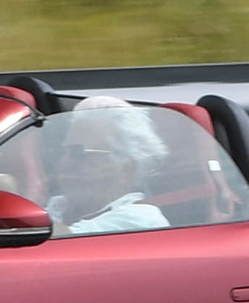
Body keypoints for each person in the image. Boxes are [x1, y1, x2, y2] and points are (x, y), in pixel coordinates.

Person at [45, 98, 170, 236]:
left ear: (125, 169)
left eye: (77, 152)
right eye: (63, 152)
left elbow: (56, 240)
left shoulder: (140, 219)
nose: (64, 162)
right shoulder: (59, 206)